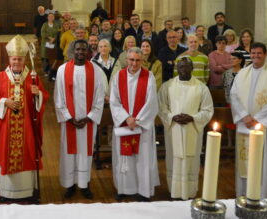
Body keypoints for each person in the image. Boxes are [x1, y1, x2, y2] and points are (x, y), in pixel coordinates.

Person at [0, 35, 49, 202]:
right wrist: (5, 101)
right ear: (9, 59)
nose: (17, 62)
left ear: (24, 59)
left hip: (27, 127)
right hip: (6, 126)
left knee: (27, 152)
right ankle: (7, 191)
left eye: (20, 59)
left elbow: (43, 98)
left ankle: (26, 190)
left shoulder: (32, 77)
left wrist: (38, 95)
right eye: (14, 59)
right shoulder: (1, 77)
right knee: (7, 152)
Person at [230, 42, 267, 198]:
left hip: (264, 126)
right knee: (245, 159)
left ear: (266, 55)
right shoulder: (242, 73)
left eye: (259, 53)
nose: (256, 56)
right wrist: (244, 116)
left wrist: (258, 119)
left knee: (264, 159)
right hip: (244, 124)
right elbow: (234, 96)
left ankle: (264, 193)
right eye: (253, 53)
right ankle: (244, 192)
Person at [54, 40, 105, 199]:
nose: (81, 52)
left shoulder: (96, 70)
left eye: (84, 49)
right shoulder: (62, 70)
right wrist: (69, 118)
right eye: (78, 49)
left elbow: (99, 96)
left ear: (88, 51)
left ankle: (85, 185)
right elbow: (59, 97)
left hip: (87, 123)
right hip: (70, 122)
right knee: (69, 154)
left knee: (85, 153)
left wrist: (89, 118)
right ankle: (70, 185)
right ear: (73, 51)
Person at [158, 58, 214, 200]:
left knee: (192, 158)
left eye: (186, 66)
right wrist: (172, 117)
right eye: (180, 66)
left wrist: (193, 118)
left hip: (192, 129)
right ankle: (174, 190)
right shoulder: (168, 86)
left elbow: (207, 110)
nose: (183, 69)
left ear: (192, 68)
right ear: (177, 67)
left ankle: (189, 191)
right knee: (173, 157)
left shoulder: (201, 87)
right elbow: (161, 107)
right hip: (174, 128)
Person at [109, 47, 159, 201]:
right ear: (126, 60)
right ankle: (124, 189)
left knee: (143, 158)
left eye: (138, 60)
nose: (134, 63)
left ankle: (143, 191)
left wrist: (137, 120)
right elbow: (114, 100)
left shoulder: (149, 76)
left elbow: (152, 102)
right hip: (124, 125)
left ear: (142, 60)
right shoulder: (119, 76)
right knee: (123, 158)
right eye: (131, 60)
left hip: (141, 127)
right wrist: (126, 118)